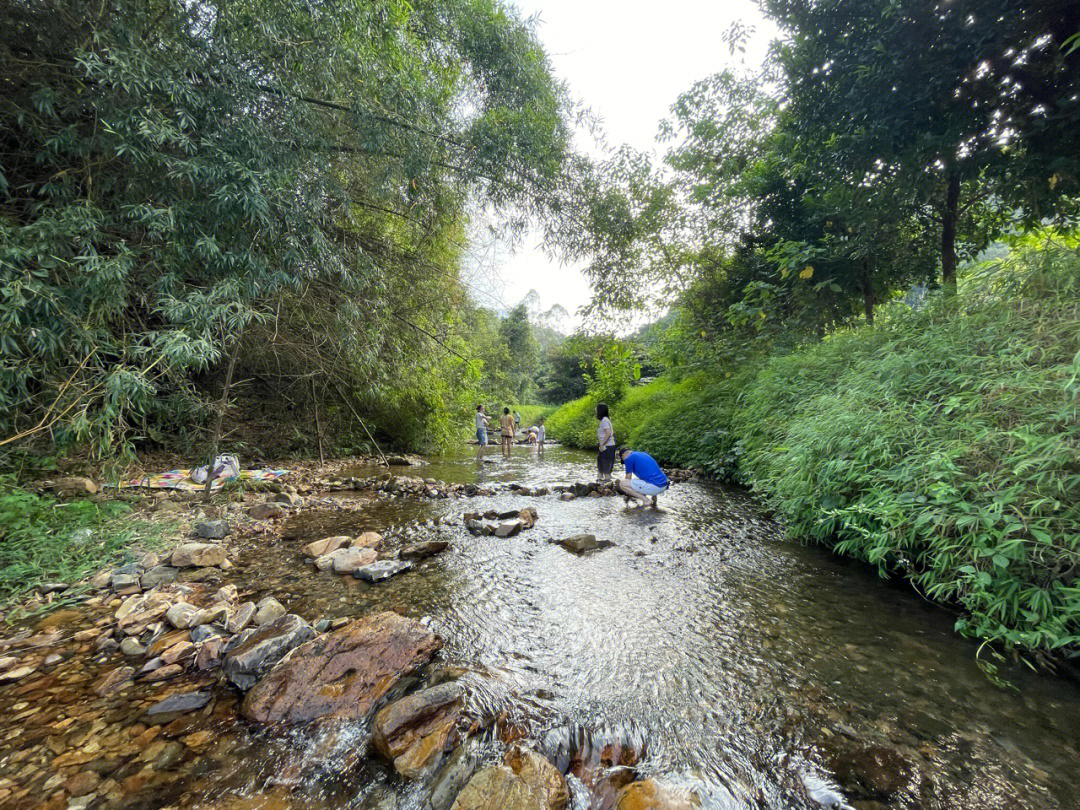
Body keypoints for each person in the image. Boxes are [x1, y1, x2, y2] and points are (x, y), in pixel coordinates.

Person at [596, 402, 616, 481]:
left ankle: (607, 484)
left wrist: (602, 443)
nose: (595, 410)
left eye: (596, 409)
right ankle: (600, 482)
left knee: (606, 468)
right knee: (601, 465)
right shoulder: (605, 420)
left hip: (607, 446)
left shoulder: (604, 421)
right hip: (606, 446)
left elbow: (608, 433)